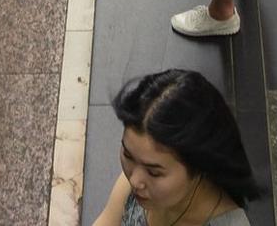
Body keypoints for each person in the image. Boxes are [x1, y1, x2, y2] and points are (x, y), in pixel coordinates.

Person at [93, 69, 255, 226]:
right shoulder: (140, 177)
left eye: (154, 172)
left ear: (199, 166)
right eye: (128, 155)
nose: (134, 180)